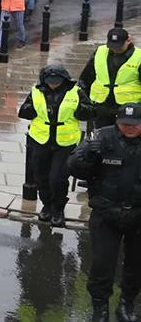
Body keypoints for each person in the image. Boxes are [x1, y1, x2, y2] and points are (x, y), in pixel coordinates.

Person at [67, 103, 141, 322]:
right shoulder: (101, 137)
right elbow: (72, 167)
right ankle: (100, 306)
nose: (129, 128)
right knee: (102, 264)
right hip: (106, 213)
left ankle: (126, 303)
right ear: (117, 121)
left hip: (138, 215)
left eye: (135, 125)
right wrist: (88, 156)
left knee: (136, 264)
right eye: (124, 124)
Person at [18, 65, 93, 227]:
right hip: (40, 139)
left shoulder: (75, 92)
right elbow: (24, 111)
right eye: (49, 81)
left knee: (57, 178)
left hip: (64, 142)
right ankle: (46, 205)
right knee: (41, 176)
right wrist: (28, 109)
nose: (53, 84)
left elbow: (90, 111)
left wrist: (82, 110)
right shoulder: (37, 91)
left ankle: (58, 208)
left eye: (56, 81)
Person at [80, 28, 141, 128]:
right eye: (112, 46)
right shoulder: (100, 52)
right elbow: (86, 78)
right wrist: (83, 101)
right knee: (99, 138)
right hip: (101, 106)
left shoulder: (139, 57)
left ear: (128, 41)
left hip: (128, 109)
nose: (115, 49)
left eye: (119, 46)